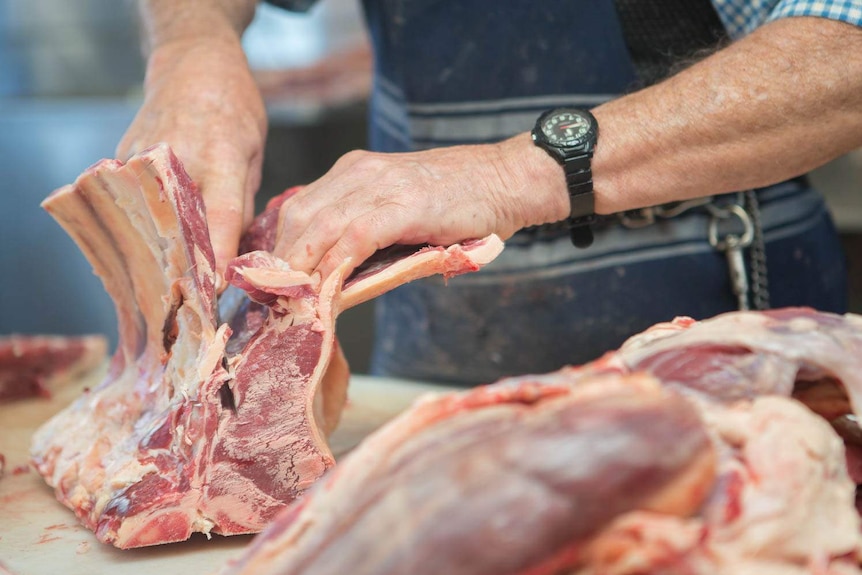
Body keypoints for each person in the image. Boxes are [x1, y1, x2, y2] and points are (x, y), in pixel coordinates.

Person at [119, 0, 862, 385]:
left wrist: (510, 175)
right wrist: (193, 46)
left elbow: (847, 44)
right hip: (435, 357)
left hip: (717, 348)